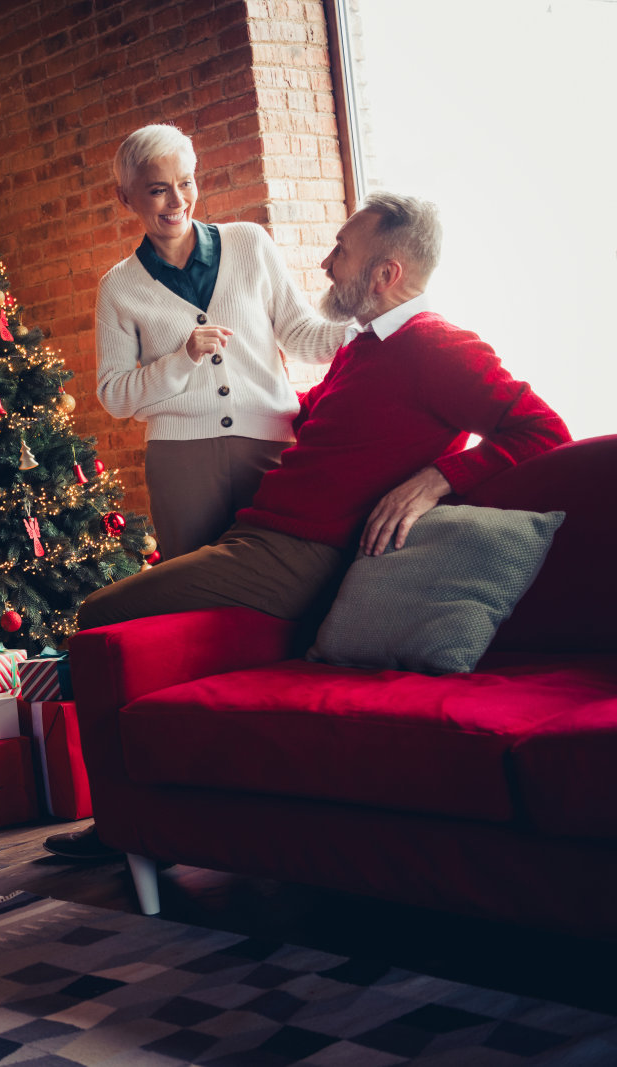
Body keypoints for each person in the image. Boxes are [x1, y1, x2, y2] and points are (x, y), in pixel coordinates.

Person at [47, 192, 570, 862]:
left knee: (97, 611)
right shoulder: (365, 350)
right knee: (137, 632)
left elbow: (544, 430)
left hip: (294, 554)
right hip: (258, 538)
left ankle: (114, 824)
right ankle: (156, 815)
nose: (325, 264)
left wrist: (439, 478)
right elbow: (309, 417)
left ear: (385, 274)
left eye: (341, 252)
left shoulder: (438, 346)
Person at [95, 124, 347, 561]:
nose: (177, 202)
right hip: (179, 461)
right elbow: (114, 395)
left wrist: (371, 323)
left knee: (285, 573)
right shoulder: (118, 287)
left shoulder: (250, 243)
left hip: (270, 446)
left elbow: (302, 337)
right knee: (194, 592)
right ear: (126, 197)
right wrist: (182, 359)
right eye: (158, 190)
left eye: (186, 183)